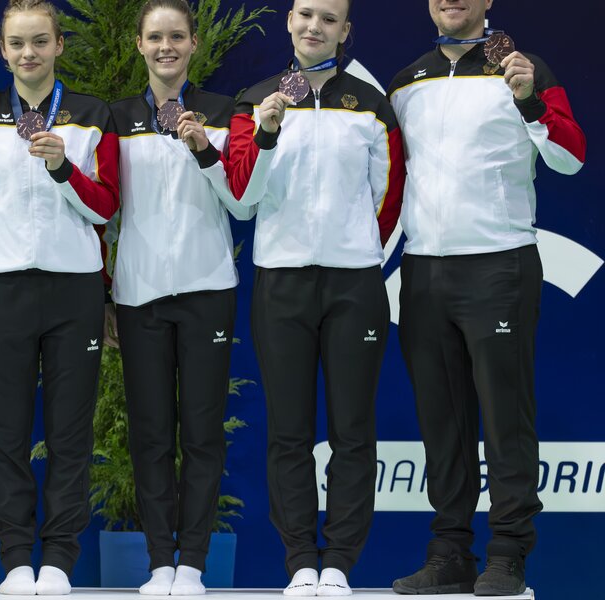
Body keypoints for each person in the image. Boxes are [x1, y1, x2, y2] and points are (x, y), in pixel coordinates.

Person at [387, 0, 586, 596]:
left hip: (499, 263)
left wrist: (529, 101)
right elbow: (391, 181)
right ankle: (450, 552)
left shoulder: (525, 68)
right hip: (423, 269)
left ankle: (508, 553)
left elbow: (571, 158)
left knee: (505, 416)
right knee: (441, 421)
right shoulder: (406, 82)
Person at [227, 0, 404, 595]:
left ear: (344, 31)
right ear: (289, 21)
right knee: (289, 430)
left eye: (329, 19)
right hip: (282, 281)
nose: (314, 26)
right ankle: (301, 559)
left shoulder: (372, 105)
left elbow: (389, 197)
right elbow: (242, 198)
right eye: (305, 14)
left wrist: (353, 246)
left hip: (354, 283)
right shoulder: (256, 99)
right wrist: (267, 133)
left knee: (353, 429)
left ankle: (340, 563)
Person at [0, 0, 119, 595]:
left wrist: (63, 169)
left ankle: (58, 559)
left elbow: (107, 205)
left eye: (40, 41)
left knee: (70, 431)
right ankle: (15, 558)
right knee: (5, 433)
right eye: (17, 44)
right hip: (2, 287)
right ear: (2, 52)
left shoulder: (91, 115)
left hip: (73, 289)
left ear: (58, 46)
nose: (29, 53)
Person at [106, 0, 254, 595]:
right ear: (139, 45)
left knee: (201, 433)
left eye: (176, 36)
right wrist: (106, 293)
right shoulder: (117, 117)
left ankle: (191, 562)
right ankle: (159, 563)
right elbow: (104, 209)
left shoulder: (224, 111)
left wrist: (203, 149)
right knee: (149, 435)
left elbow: (242, 202)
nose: (165, 47)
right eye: (155, 37)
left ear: (194, 43)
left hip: (207, 289)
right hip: (138, 294)